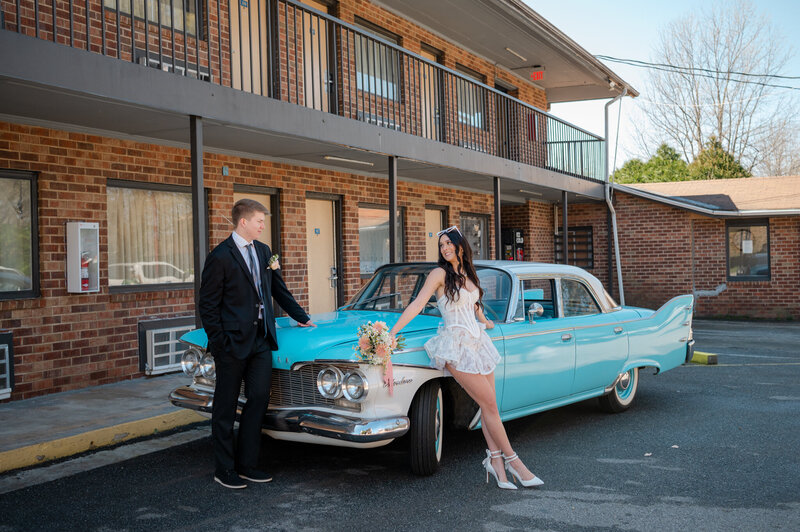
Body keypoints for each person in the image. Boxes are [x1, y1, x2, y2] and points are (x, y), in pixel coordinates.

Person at [389, 226, 543, 489]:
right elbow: (417, 303)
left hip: (478, 343)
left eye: (449, 243)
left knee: (489, 407)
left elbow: (474, 305)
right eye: (441, 245)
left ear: (460, 245)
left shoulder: (469, 273)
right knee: (491, 406)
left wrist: (486, 321)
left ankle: (496, 464)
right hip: (455, 345)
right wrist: (392, 333)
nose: (445, 248)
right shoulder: (439, 273)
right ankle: (515, 463)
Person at [198, 198, 316, 489]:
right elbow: (208, 306)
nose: (263, 225)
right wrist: (220, 342)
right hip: (231, 344)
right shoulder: (220, 256)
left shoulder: (264, 251)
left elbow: (278, 289)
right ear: (243, 222)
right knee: (225, 408)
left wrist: (302, 317)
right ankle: (224, 469)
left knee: (259, 399)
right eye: (259, 221)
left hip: (262, 341)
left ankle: (248, 464)